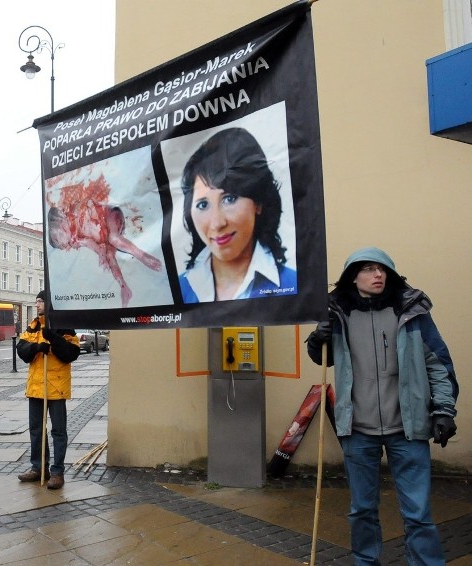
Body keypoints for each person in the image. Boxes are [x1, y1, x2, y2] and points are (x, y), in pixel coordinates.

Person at [306, 247, 458, 565]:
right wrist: (318, 339)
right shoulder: (339, 314)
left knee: (418, 513)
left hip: (408, 427)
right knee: (362, 510)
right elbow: (324, 358)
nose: (378, 274)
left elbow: (438, 364)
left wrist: (443, 409)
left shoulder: (411, 313)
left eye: (383, 269)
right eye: (370, 269)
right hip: (358, 430)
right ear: (353, 277)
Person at [178, 127, 297, 302]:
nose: (217, 223)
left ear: (258, 203)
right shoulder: (178, 291)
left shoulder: (292, 285)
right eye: (203, 204)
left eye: (229, 199)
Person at [15, 291, 81, 489]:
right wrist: (37, 348)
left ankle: (57, 472)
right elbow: (21, 349)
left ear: (49, 303)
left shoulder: (64, 325)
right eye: (36, 301)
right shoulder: (34, 325)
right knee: (36, 430)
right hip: (35, 387)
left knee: (58, 431)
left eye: (40, 301)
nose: (37, 305)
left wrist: (52, 338)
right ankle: (38, 467)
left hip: (56, 386)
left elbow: (71, 353)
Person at [48, 204, 162, 307]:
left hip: (110, 216)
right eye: (62, 246)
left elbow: (90, 243)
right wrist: (102, 254)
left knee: (114, 239)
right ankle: (124, 288)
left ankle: (140, 255)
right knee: (110, 255)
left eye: (59, 240)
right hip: (105, 237)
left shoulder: (72, 214)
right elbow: (91, 243)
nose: (64, 246)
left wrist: (100, 254)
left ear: (61, 224)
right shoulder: (75, 239)